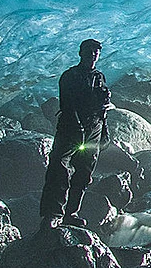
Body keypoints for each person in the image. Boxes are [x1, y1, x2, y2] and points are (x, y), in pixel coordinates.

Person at [40, 38, 112, 230]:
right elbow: (67, 106)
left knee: (84, 172)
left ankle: (71, 213)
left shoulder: (100, 77)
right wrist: (78, 128)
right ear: (81, 53)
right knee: (58, 168)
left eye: (96, 52)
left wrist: (104, 128)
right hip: (70, 128)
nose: (93, 55)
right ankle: (52, 214)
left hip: (94, 128)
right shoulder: (69, 76)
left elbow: (103, 107)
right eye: (89, 51)